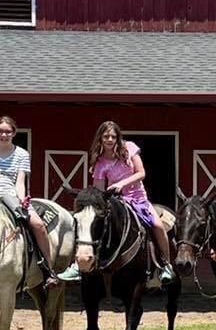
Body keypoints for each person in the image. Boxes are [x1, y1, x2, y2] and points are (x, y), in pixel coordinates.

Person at [71, 121, 175, 285]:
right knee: (90, 225)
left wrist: (121, 184)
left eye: (113, 136)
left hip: (138, 198)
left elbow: (141, 173)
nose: (110, 139)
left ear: (118, 138)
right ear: (101, 138)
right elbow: (99, 191)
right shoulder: (100, 162)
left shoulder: (129, 148)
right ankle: (78, 264)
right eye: (106, 136)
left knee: (158, 225)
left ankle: (166, 265)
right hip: (117, 201)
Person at [0, 116, 60, 288]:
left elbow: (20, 181)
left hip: (10, 194)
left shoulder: (21, 154)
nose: (3, 135)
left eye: (7, 131)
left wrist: (22, 200)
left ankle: (48, 269)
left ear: (13, 133)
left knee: (38, 225)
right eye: (0, 131)